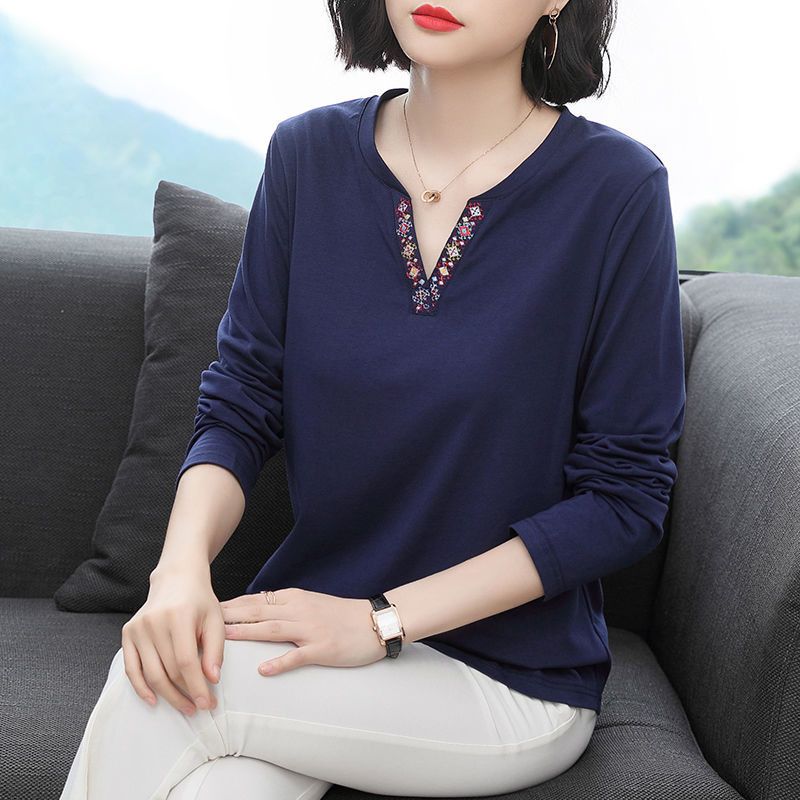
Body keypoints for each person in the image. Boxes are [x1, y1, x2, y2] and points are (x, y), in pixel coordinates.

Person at [60, 0, 686, 797]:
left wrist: (382, 620)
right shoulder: (308, 156)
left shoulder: (617, 190)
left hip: (505, 674)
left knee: (155, 695)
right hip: (314, 637)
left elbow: (624, 499)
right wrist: (179, 571)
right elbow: (241, 404)